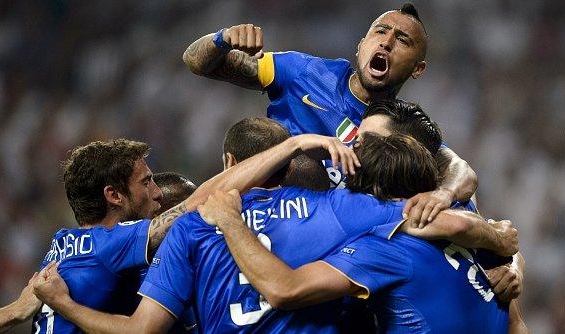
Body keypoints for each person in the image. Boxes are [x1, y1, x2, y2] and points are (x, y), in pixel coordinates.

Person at [32, 133, 517, 333]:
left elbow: (141, 332)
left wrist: (65, 304)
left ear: (230, 165)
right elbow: (431, 221)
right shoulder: (342, 210)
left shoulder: (191, 227)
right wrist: (499, 241)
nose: (158, 193)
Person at [183, 3, 478, 224]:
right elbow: (196, 62)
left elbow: (462, 174)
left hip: (336, 248)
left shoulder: (403, 126)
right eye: (380, 31)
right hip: (263, 217)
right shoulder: (305, 73)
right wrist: (222, 39)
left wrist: (444, 194)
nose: (386, 42)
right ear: (361, 46)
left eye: (402, 40)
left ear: (418, 68)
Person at [30, 135, 353, 334]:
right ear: (114, 196)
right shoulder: (112, 244)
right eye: (146, 182)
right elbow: (196, 204)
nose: (155, 193)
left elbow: (12, 311)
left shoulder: (60, 248)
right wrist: (292, 145)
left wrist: (17, 312)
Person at [196, 138, 515, 333]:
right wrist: (504, 245)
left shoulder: (385, 249)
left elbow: (285, 289)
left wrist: (231, 222)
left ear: (371, 192)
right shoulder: (462, 220)